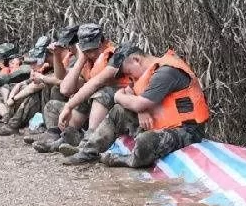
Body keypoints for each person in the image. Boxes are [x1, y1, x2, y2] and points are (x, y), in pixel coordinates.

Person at [61, 43, 209, 167]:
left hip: (186, 130)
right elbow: (128, 92)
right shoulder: (148, 72)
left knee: (146, 141)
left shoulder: (166, 72)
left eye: (129, 72)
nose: (130, 77)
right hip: (159, 123)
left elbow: (135, 101)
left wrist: (120, 98)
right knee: (119, 111)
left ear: (136, 60)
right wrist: (137, 108)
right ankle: (88, 152)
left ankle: (127, 160)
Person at [34, 23, 120, 154]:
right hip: (94, 108)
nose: (91, 54)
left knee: (99, 93)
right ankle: (63, 137)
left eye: (92, 49)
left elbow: (95, 83)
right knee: (76, 96)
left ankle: (87, 144)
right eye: (86, 50)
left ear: (101, 43)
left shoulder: (113, 55)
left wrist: (69, 106)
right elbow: (65, 88)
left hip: (115, 105)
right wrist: (80, 59)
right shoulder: (87, 59)